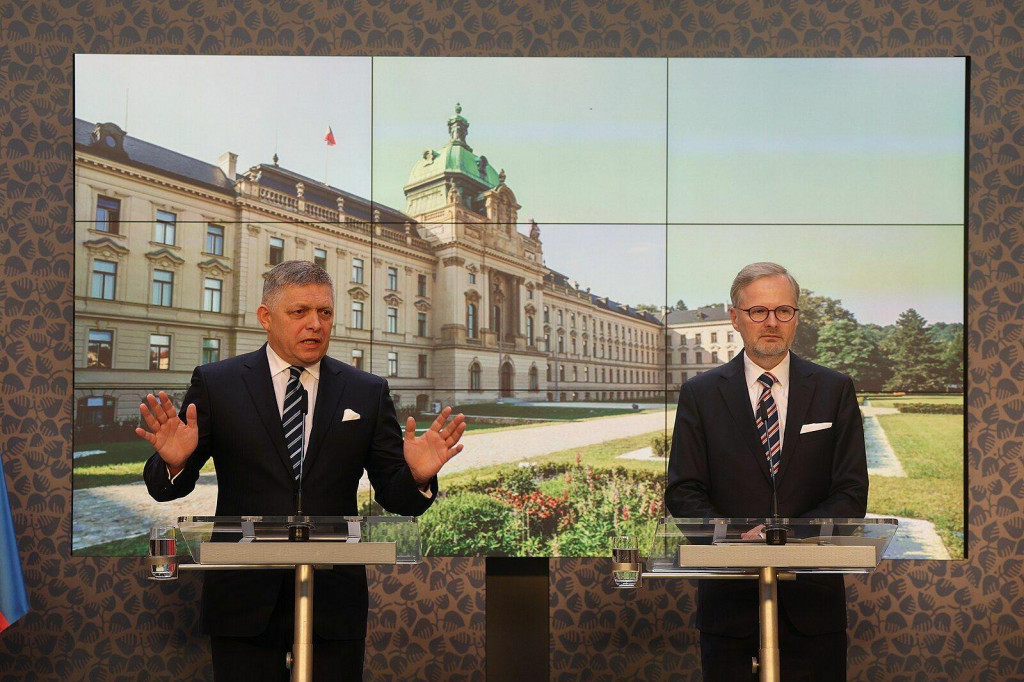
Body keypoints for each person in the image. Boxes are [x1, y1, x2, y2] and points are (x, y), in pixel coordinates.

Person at [139, 260, 466, 680]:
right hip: (244, 602)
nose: (315, 324)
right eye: (300, 312)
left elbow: (396, 495)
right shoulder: (217, 383)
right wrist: (174, 461)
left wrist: (418, 476)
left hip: (333, 602)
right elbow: (164, 489)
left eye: (324, 313)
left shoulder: (366, 391)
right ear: (265, 317)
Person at [665, 262, 868, 682]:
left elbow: (850, 492)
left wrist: (783, 535)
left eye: (783, 311)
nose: (771, 322)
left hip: (813, 610)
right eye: (758, 311)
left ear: (797, 317)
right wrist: (738, 538)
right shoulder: (699, 394)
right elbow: (684, 492)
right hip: (729, 610)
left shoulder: (835, 389)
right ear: (735, 317)